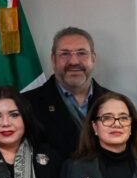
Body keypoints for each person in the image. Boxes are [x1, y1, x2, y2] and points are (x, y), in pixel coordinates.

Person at [24, 27, 112, 159]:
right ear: (53, 60)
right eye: (65, 54)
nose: (74, 61)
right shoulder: (26, 104)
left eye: (82, 53)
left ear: (93, 58)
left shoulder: (115, 102)